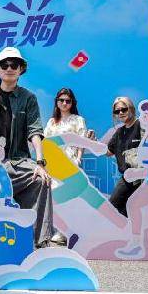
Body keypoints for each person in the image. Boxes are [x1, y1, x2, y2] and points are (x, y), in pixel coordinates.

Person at [0, 47, 53, 248]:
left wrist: (40, 163)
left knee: (41, 180)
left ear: (21, 70)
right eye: (4, 65)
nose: (9, 68)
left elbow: (35, 131)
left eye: (14, 65)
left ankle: (36, 243)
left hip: (17, 160)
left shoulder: (28, 98)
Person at [115, 101, 148, 259]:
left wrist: (138, 173)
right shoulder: (147, 137)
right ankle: (136, 242)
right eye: (143, 115)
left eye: (146, 115)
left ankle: (137, 244)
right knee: (133, 204)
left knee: (133, 204)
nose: (142, 117)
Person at [44, 87, 91, 244]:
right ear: (56, 102)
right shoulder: (51, 121)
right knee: (55, 196)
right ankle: (60, 230)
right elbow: (45, 143)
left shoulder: (78, 120)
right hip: (53, 163)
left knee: (69, 197)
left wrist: (79, 159)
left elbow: (82, 142)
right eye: (61, 100)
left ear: (72, 103)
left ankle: (68, 232)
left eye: (68, 101)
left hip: (70, 161)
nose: (64, 103)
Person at [106, 97, 143, 217]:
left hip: (143, 178)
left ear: (131, 109)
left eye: (124, 109)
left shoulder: (142, 125)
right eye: (117, 111)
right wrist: (92, 142)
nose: (121, 113)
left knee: (134, 210)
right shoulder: (119, 132)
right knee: (115, 208)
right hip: (127, 177)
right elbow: (108, 152)